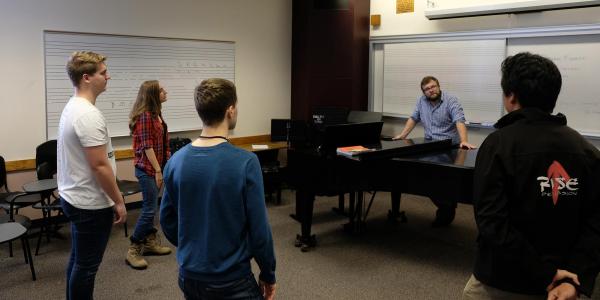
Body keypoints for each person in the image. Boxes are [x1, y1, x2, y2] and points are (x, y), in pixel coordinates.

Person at [463, 52, 600, 300]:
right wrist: (574, 278)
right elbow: (596, 223)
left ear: (511, 95)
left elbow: (493, 224)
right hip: (563, 286)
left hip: (501, 282)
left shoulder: (498, 144)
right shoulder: (587, 151)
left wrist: (546, 273)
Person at [160, 78, 277, 300]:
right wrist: (268, 273)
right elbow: (260, 230)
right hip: (232, 280)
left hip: (189, 276)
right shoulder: (246, 162)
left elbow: (167, 220)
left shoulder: (176, 161)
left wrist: (194, 246)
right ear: (230, 110)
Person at [57, 51, 127, 300]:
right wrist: (118, 201)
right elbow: (99, 166)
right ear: (86, 77)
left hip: (75, 196)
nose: (108, 76)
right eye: (103, 72)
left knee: (78, 260)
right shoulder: (87, 115)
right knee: (86, 267)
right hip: (90, 203)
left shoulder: (74, 106)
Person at [391, 76, 475, 226]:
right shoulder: (421, 101)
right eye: (427, 89)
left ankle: (446, 207)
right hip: (429, 145)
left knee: (441, 181)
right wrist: (403, 135)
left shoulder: (451, 100)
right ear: (424, 92)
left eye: (433, 87)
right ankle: (447, 205)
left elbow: (459, 120)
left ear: (438, 86)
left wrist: (463, 140)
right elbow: (413, 118)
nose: (431, 90)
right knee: (426, 179)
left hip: (449, 147)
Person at [126, 80, 172, 269]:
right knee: (149, 209)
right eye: (161, 90)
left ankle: (150, 242)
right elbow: (147, 146)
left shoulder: (156, 115)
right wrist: (158, 170)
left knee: (152, 207)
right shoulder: (145, 117)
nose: (165, 91)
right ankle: (133, 248)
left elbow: (163, 142)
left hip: (156, 168)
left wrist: (166, 163)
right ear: (153, 94)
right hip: (147, 170)